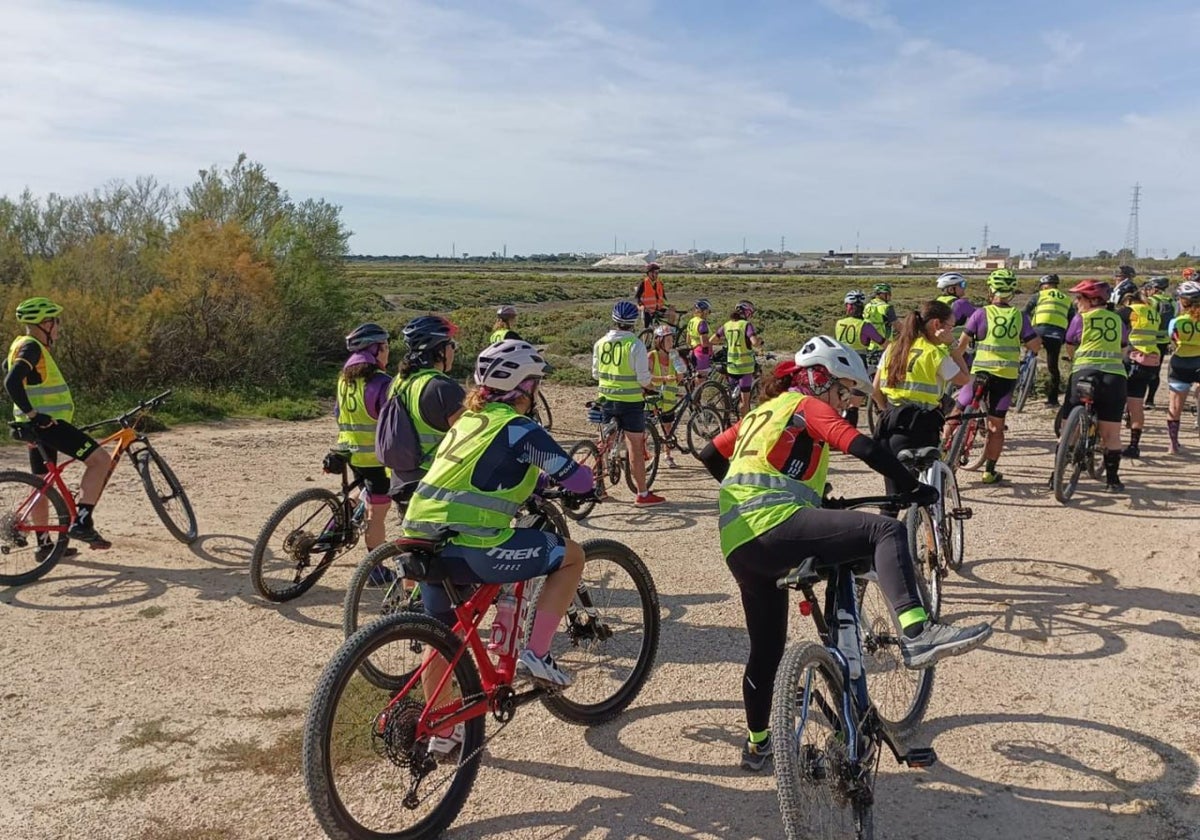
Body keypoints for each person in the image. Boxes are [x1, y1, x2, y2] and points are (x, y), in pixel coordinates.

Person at [697, 335, 991, 772]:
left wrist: (769, 498)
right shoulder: (806, 405)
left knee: (766, 649)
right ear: (820, 381)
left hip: (739, 542)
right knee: (883, 530)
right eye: (844, 392)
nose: (847, 402)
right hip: (777, 524)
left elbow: (709, 455)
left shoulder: (761, 413)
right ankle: (916, 633)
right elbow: (865, 448)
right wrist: (913, 488)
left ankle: (758, 745)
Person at [402, 340, 597, 698]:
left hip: (421, 538)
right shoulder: (519, 428)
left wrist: (535, 482)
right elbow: (577, 479)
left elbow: (482, 470)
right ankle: (537, 654)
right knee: (572, 558)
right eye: (536, 382)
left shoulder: (468, 422)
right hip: (473, 544)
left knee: (445, 637)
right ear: (525, 386)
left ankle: (441, 734)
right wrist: (586, 484)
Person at [4, 298, 112, 550]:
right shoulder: (32, 348)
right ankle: (82, 523)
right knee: (100, 461)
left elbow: (11, 373)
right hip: (46, 425)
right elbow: (11, 381)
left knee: (42, 481)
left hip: (32, 428)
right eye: (56, 321)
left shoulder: (19, 345)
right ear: (45, 323)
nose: (58, 327)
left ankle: (45, 545)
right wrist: (34, 414)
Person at [872, 300, 971, 509]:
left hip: (890, 424)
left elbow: (875, 389)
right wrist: (952, 345)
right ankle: (931, 527)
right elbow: (964, 378)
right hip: (921, 427)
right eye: (951, 327)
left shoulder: (893, 349)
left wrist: (886, 410)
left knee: (892, 499)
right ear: (937, 325)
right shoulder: (934, 353)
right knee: (923, 492)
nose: (951, 331)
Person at [950, 269, 1041, 484]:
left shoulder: (981, 314)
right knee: (995, 426)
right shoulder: (1019, 316)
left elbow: (961, 346)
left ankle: (945, 449)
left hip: (979, 372)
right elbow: (1035, 345)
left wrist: (954, 369)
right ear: (1011, 292)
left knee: (957, 411)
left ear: (991, 290)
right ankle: (989, 471)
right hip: (1005, 377)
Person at [383, 315, 466, 505]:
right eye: (452, 344)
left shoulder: (397, 381)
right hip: (437, 485)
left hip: (402, 481)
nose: (454, 350)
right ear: (440, 350)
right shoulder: (442, 388)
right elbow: (470, 439)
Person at [1057, 280, 1130, 491]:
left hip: (1084, 373)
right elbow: (1124, 348)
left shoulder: (1081, 318)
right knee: (1111, 434)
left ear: (1093, 300)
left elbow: (1070, 344)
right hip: (1114, 378)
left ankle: (1056, 476)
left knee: (1067, 430)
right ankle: (1113, 481)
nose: (1076, 302)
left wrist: (1075, 361)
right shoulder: (1117, 320)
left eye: (1079, 298)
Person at [593, 301, 665, 506]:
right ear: (634, 322)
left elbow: (595, 373)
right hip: (631, 402)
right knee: (634, 445)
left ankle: (600, 488)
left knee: (604, 443)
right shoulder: (635, 344)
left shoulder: (600, 343)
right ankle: (642, 493)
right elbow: (643, 378)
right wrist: (651, 387)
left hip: (606, 399)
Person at [335, 323, 393, 553]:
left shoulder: (344, 379)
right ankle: (375, 570)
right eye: (385, 346)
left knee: (363, 489)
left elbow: (337, 413)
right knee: (377, 514)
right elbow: (391, 423)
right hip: (375, 459)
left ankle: (335, 528)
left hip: (351, 451)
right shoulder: (381, 382)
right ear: (375, 350)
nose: (388, 351)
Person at [1111, 279, 1161, 458]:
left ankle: (1110, 442)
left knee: (1113, 400)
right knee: (1136, 404)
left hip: (1131, 359)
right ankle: (1134, 446)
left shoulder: (1128, 311)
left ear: (1126, 299)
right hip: (1150, 362)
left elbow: (1114, 332)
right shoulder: (1153, 312)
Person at [834, 290, 887, 428]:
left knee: (838, 402)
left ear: (848, 306)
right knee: (854, 404)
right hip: (859, 364)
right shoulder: (865, 326)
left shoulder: (839, 323)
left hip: (840, 363)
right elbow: (884, 344)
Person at [1023, 274, 1074, 406]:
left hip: (1038, 331)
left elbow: (1025, 312)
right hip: (1057, 335)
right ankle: (1052, 400)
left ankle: (1021, 381)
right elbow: (1072, 320)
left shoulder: (1040, 295)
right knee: (1053, 367)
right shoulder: (1067, 299)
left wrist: (1025, 329)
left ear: (1044, 286)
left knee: (1028, 353)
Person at [1165, 279, 1200, 454]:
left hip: (1181, 363)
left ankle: (1173, 444)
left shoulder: (1176, 321)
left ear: (1182, 301)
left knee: (1175, 406)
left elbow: (1172, 340)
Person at [649, 324, 688, 467]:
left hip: (669, 400)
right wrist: (663, 379)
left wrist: (678, 362)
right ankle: (647, 455)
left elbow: (680, 376)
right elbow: (646, 377)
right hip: (653, 398)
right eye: (668, 340)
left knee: (668, 428)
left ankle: (667, 455)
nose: (671, 343)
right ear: (659, 342)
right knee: (648, 428)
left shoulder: (674, 356)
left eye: (672, 340)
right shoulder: (652, 356)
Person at [715, 300, 762, 418]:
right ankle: (743, 426)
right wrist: (760, 341)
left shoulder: (727, 325)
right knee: (744, 402)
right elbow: (754, 343)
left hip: (731, 367)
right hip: (745, 368)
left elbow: (712, 340)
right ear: (747, 313)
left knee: (733, 395)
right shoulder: (746, 325)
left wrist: (728, 340)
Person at [1144, 275, 1177, 408]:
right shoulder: (1172, 301)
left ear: (1154, 289)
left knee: (1142, 369)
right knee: (1155, 370)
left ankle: (1138, 397)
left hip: (1149, 339)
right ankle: (1150, 400)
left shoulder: (1151, 301)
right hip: (1164, 340)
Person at [934, 272, 978, 344]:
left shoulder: (937, 301)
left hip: (938, 342)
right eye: (962, 285)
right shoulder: (961, 303)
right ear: (951, 289)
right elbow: (980, 318)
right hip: (954, 344)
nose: (964, 287)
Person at [685, 299, 714, 380]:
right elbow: (704, 343)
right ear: (704, 311)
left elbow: (688, 340)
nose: (708, 314)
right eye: (708, 311)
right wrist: (714, 341)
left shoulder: (692, 321)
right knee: (701, 378)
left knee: (696, 376)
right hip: (702, 353)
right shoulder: (702, 323)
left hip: (693, 351)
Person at [864, 283, 897, 351]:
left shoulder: (867, 306)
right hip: (884, 346)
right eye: (888, 293)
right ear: (881, 294)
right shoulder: (886, 307)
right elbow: (897, 325)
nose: (890, 295)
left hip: (869, 346)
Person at [634, 262, 667, 329]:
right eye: (655, 273)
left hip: (658, 310)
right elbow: (637, 297)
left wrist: (669, 306)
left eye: (658, 273)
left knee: (672, 314)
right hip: (647, 311)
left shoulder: (660, 283)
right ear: (649, 273)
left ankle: (672, 332)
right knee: (646, 330)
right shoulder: (643, 283)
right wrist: (641, 306)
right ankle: (645, 337)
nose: (657, 275)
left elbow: (662, 297)